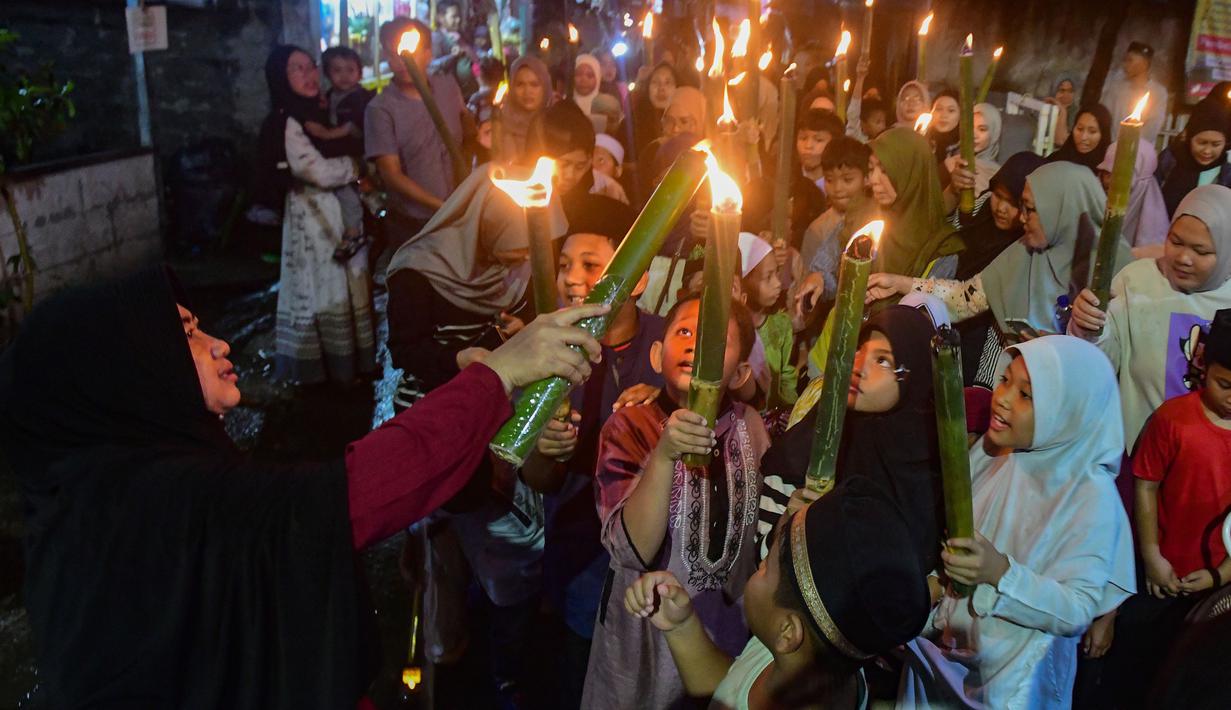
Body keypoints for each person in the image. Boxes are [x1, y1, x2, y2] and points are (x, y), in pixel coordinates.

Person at [0, 264, 608, 708]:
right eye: (186, 333)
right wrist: (500, 374)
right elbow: (343, 496)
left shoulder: (104, 489)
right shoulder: (143, 504)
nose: (219, 343)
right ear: (130, 369)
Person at [899, 335, 1136, 709]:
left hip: (1012, 680)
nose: (1003, 397)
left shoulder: (1090, 497)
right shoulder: (997, 450)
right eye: (1006, 380)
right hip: (945, 651)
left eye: (1026, 394)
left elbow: (1076, 608)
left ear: (1068, 410)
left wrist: (1000, 573)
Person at [581, 296, 766, 710]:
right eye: (683, 331)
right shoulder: (630, 423)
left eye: (715, 338)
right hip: (646, 631)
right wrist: (664, 455)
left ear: (738, 373)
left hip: (725, 625)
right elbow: (631, 549)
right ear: (656, 353)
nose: (695, 345)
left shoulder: (749, 426)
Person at [519, 198, 663, 708]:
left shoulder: (669, 346)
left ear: (637, 279)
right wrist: (544, 450)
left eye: (591, 265)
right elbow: (541, 479)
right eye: (563, 265)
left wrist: (664, 402)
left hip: (658, 560)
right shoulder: (544, 355)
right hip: (580, 556)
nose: (572, 278)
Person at [623, 477, 930, 710]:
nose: (759, 567)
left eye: (765, 567)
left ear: (787, 631)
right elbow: (732, 688)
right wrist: (682, 626)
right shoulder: (812, 659)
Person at [1084, 307, 1231, 709]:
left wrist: (1219, 576)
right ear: (1203, 365)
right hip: (1154, 579)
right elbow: (1144, 487)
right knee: (1131, 673)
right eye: (1225, 384)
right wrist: (1151, 557)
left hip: (1213, 592)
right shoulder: (1172, 420)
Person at [759, 305, 945, 575]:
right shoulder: (807, 445)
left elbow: (926, 573)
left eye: (883, 361)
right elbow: (761, 561)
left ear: (917, 378)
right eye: (858, 350)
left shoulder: (929, 474)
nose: (857, 368)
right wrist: (790, 522)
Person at [867, 161, 1132, 343]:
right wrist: (899, 283)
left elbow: (1125, 349)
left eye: (1030, 208)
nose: (1021, 218)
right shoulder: (1024, 253)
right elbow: (964, 298)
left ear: (1061, 209)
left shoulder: (1118, 266)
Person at [384, 163, 566, 408]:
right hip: (430, 400)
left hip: (494, 396)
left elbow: (530, 313)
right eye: (519, 247)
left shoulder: (524, 259)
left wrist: (521, 327)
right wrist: (459, 359)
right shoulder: (418, 271)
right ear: (487, 226)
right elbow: (405, 350)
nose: (527, 258)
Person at [1068, 184, 1231, 454]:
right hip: (1138, 456)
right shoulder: (1137, 282)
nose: (1184, 258)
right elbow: (1102, 365)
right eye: (1175, 242)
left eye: (1201, 251)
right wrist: (1088, 328)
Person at [262, 45, 376, 385]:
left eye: (310, 66)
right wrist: (357, 167)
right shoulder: (287, 121)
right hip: (312, 218)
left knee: (350, 284)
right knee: (323, 287)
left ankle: (356, 363)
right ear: (281, 78)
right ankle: (327, 371)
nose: (308, 74)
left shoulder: (326, 110)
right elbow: (318, 172)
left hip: (340, 213)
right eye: (297, 69)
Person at [366, 17, 469, 249]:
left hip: (461, 211)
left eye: (409, 52)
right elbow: (391, 174)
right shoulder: (380, 108)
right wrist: (442, 207)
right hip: (415, 223)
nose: (401, 61)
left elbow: (467, 132)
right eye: (392, 54)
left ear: (428, 53)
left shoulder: (447, 87)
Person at [867, 126, 958, 278]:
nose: (873, 180)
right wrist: (820, 278)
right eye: (871, 169)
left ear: (913, 173)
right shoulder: (861, 216)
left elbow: (932, 298)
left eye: (885, 171)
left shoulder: (939, 247)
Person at [795, 136, 873, 309]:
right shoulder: (818, 229)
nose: (838, 188)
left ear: (867, 178)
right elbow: (812, 277)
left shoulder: (874, 214)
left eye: (847, 180)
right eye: (830, 180)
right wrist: (817, 278)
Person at [320, 46, 376, 260]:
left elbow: (353, 127)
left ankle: (354, 233)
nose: (344, 76)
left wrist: (327, 134)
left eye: (350, 70)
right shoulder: (328, 97)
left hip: (355, 156)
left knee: (348, 194)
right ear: (327, 74)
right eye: (337, 70)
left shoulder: (361, 99)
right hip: (336, 156)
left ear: (359, 73)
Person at [740, 232, 798, 412]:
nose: (778, 284)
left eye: (777, 274)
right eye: (768, 277)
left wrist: (789, 412)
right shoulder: (731, 332)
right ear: (743, 284)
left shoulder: (781, 325)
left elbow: (787, 375)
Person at [1155, 97, 1231, 216]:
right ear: (1189, 138)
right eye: (1202, 143)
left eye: (1216, 144)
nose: (1207, 151)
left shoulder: (1226, 174)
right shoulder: (1170, 159)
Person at [1097, 139, 1171, 249]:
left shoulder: (1155, 237)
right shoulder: (1092, 200)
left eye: (1120, 175)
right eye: (1107, 173)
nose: (1110, 182)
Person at [791, 109, 845, 251]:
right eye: (803, 138)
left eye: (818, 140)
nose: (808, 146)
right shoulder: (787, 184)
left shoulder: (842, 189)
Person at [1102, 41, 1169, 147]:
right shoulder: (1116, 88)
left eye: (1130, 60)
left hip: (1138, 150)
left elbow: (1153, 127)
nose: (1125, 65)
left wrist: (1128, 145)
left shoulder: (1158, 93)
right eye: (1125, 60)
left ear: (1144, 63)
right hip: (1111, 147)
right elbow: (1104, 116)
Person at [499, 55, 553, 164]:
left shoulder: (555, 122)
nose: (527, 91)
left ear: (545, 87)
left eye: (534, 84)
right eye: (520, 84)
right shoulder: (501, 123)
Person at [1048, 104, 1112, 174]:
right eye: (1080, 129)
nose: (1083, 137)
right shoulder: (1057, 160)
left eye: (1092, 131)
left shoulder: (1107, 171)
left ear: (1103, 135)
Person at [631, 61, 678, 155]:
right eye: (655, 82)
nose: (661, 88)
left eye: (668, 83)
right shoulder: (633, 123)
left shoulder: (682, 123)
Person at [926, 88, 961, 165]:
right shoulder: (922, 141)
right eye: (938, 109)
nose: (943, 115)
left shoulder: (965, 150)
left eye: (951, 110)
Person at [1048, 76, 1079, 149]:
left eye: (1070, 91)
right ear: (1054, 92)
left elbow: (1061, 141)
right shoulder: (1046, 110)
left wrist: (1063, 111)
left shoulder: (1077, 114)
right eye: (1062, 90)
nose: (1066, 95)